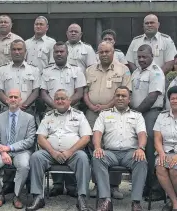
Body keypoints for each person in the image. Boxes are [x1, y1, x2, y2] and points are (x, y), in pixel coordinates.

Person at [26, 89, 92, 211]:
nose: (60, 101)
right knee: (36, 157)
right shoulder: (48, 116)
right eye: (57, 99)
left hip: (73, 154)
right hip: (51, 153)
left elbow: (86, 137)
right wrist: (53, 152)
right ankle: (38, 197)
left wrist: (69, 151)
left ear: (69, 100)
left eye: (63, 98)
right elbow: (40, 137)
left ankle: (82, 198)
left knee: (83, 158)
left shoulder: (79, 115)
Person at [83, 41, 131, 198]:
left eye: (107, 52)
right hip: (92, 112)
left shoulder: (123, 70)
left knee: (113, 145)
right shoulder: (89, 70)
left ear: (113, 52)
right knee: (94, 146)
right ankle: (98, 184)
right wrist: (90, 104)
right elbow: (84, 91)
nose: (104, 54)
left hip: (113, 112)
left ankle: (114, 186)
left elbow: (125, 92)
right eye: (101, 52)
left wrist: (106, 106)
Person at [39, 42, 87, 197]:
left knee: (70, 141)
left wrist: (65, 104)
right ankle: (58, 185)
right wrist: (56, 105)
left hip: (72, 111)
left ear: (67, 53)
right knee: (54, 142)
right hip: (50, 112)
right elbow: (43, 92)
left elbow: (80, 92)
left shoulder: (76, 70)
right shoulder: (46, 71)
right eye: (56, 52)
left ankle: (72, 186)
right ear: (53, 54)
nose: (59, 54)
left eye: (61, 51)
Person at [91, 86, 148, 211]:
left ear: (129, 99)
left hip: (130, 153)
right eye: (118, 95)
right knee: (97, 157)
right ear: (114, 98)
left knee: (141, 160)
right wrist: (97, 147)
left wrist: (141, 148)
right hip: (110, 153)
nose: (120, 98)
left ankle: (136, 202)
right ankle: (105, 200)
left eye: (124, 96)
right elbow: (97, 133)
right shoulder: (104, 114)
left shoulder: (137, 116)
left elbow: (142, 134)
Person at [0, 89, 36, 209]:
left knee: (24, 166)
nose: (13, 99)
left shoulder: (29, 118)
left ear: (20, 100)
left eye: (15, 97)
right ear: (6, 100)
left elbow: (29, 141)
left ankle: (16, 195)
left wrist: (9, 148)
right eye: (11, 97)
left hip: (21, 151)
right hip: (2, 151)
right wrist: (3, 152)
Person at [131, 44, 167, 201]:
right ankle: (145, 186)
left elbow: (153, 96)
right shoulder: (136, 72)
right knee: (140, 150)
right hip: (137, 113)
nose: (141, 59)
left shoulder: (156, 72)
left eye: (144, 56)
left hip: (150, 113)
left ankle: (157, 189)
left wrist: (136, 112)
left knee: (151, 150)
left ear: (152, 56)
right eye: (139, 57)